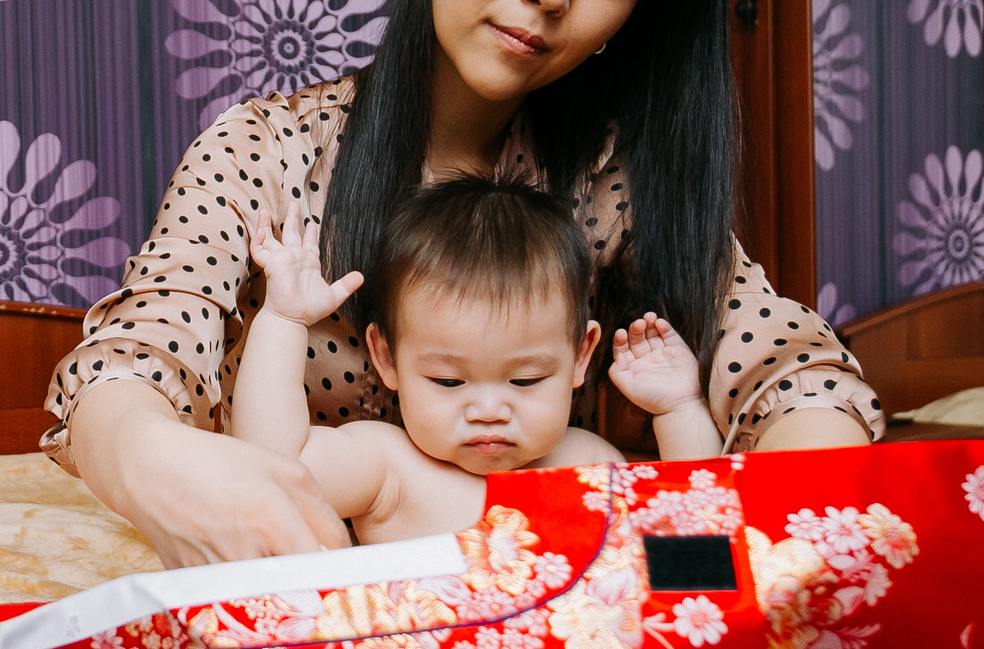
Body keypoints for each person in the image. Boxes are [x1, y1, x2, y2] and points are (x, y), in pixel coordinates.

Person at [44, 0, 882, 566]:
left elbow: (794, 374)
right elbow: (135, 362)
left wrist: (804, 533)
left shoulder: (609, 180)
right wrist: (152, 461)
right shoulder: (266, 153)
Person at [231, 177, 721, 543]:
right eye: (447, 381)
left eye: (526, 380)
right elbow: (273, 470)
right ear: (387, 358)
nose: (488, 409)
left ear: (579, 357)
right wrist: (283, 320)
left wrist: (680, 411)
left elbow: (697, 541)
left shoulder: (588, 463)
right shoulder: (387, 468)